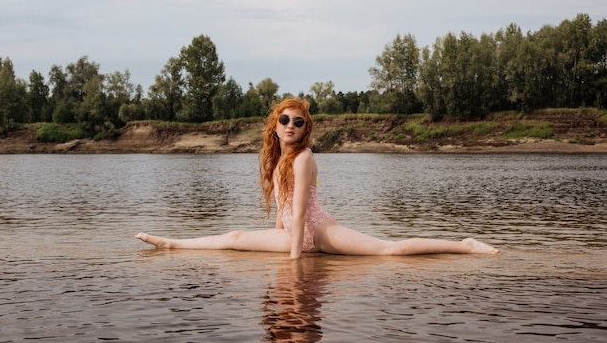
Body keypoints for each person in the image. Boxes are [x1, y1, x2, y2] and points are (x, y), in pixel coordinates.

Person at [135, 97, 499, 259]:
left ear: (305, 128)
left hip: (318, 230)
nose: (291, 126)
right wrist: (283, 238)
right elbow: (282, 209)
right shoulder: (278, 158)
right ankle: (173, 244)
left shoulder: (305, 157)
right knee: (234, 237)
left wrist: (294, 263)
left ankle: (464, 245)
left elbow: (300, 211)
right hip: (293, 235)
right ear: (274, 126)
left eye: (298, 122)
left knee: (389, 251)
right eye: (285, 120)